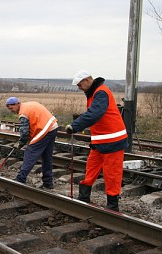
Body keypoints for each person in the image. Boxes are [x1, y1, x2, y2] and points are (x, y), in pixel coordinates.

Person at [65, 70, 128, 211]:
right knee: (91, 168)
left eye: (79, 84)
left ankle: (112, 206)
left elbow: (94, 114)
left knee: (112, 174)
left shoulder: (100, 93)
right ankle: (84, 197)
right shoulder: (93, 93)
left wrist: (75, 126)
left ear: (87, 80)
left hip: (113, 141)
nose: (79, 87)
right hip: (99, 141)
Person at [6, 97, 58, 189]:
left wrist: (20, 143)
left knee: (30, 152)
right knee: (47, 156)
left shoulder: (23, 113)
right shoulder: (28, 105)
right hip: (53, 126)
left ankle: (20, 179)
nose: (11, 110)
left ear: (16, 104)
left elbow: (25, 133)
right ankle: (48, 183)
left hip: (45, 129)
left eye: (11, 108)